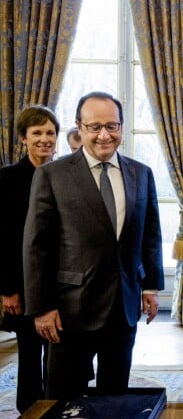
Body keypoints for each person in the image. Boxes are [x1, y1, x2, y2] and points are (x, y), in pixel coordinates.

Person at [23, 91, 164, 400]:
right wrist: (42, 307)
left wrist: (150, 286)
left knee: (114, 398)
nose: (104, 135)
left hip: (123, 307)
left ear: (122, 128)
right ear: (80, 127)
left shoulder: (141, 173)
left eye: (112, 126)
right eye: (95, 126)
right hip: (70, 309)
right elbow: (37, 246)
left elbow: (150, 234)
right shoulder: (52, 175)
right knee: (63, 400)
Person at [0, 106, 58, 412]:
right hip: (21, 284)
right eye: (37, 133)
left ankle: (57, 410)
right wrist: (8, 289)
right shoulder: (6, 179)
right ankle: (28, 415)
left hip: (61, 284)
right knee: (30, 353)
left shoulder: (65, 175)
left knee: (58, 355)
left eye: (50, 133)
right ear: (24, 138)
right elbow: (2, 238)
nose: (44, 139)